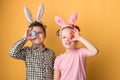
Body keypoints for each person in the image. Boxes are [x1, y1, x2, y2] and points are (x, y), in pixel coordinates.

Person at [9, 4, 55, 80]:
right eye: (34, 33)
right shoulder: (27, 51)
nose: (36, 35)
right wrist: (25, 38)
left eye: (40, 32)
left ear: (45, 35)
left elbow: (54, 71)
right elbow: (12, 53)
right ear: (29, 36)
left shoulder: (51, 53)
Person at [54, 12, 98, 80]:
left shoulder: (81, 53)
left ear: (75, 38)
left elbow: (95, 51)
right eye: (64, 37)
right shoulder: (58, 59)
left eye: (70, 36)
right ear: (61, 40)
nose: (67, 39)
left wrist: (80, 38)